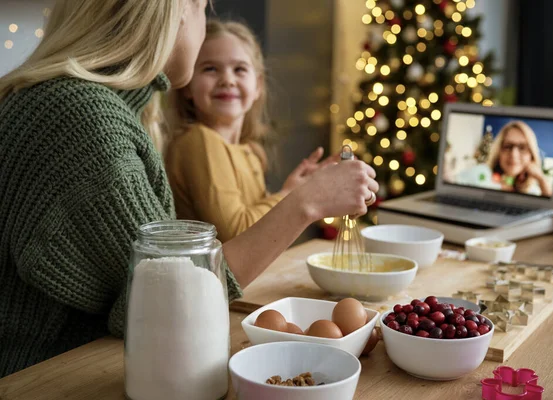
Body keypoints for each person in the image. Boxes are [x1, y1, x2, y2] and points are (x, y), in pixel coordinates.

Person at [0, 0, 378, 378]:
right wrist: (306, 202)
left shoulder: (81, 106)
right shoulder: (82, 119)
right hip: (41, 378)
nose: (204, 21)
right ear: (178, 9)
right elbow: (169, 305)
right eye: (203, 7)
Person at [165, 20, 333, 242]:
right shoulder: (199, 141)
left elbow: (263, 235)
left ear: (258, 86)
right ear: (187, 85)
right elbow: (238, 234)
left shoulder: (252, 152)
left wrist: (293, 191)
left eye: (239, 69)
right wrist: (291, 195)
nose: (227, 80)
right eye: (210, 69)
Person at [487, 120, 552, 196]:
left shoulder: (534, 192)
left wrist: (542, 180)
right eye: (508, 146)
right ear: (498, 152)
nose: (514, 154)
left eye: (522, 148)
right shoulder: (484, 181)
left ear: (531, 155)